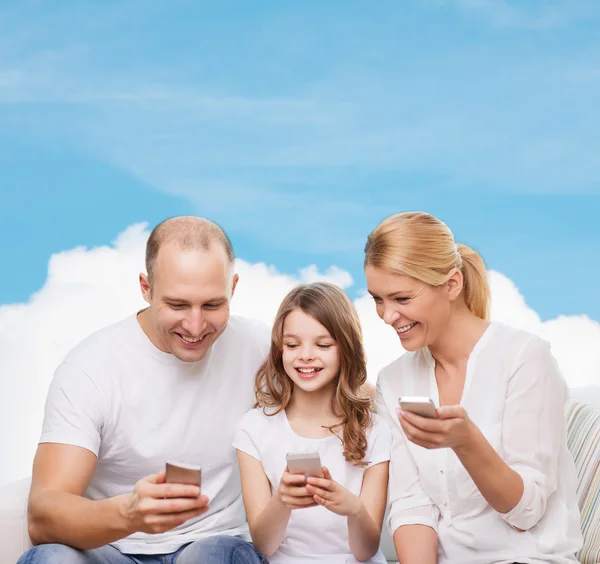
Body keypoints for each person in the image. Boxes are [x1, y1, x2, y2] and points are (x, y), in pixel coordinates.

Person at [19, 217, 270, 564]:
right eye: (177, 305)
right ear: (146, 287)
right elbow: (43, 514)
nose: (196, 327)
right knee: (50, 559)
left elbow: (342, 389)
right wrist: (129, 514)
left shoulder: (260, 347)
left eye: (212, 305)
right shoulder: (90, 369)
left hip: (212, 545)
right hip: (111, 550)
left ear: (234, 287)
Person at [364, 211, 583, 564]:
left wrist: (466, 442)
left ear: (452, 284)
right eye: (378, 299)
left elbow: (526, 511)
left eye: (401, 299)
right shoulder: (393, 381)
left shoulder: (524, 358)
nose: (387, 315)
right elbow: (411, 507)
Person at [233, 282, 392, 564]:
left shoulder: (375, 430)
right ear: (279, 350)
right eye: (293, 345)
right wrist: (282, 500)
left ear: (346, 349)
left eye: (322, 344)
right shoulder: (254, 428)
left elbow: (365, 550)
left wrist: (353, 509)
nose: (305, 355)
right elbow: (264, 545)